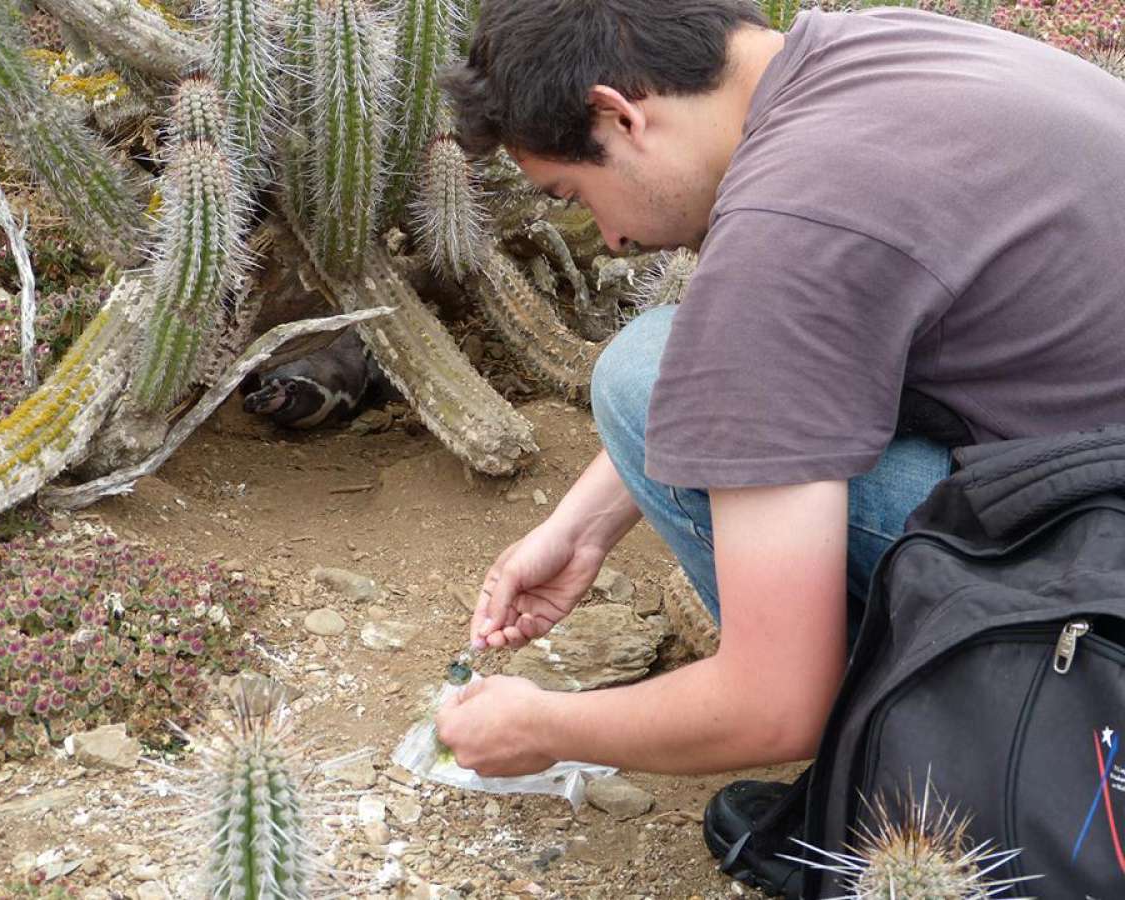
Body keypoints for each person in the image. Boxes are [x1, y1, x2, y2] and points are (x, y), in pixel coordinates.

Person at [433, 0, 1125, 805]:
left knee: (642, 371)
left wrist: (545, 726)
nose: (610, 237)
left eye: (573, 194)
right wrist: (580, 528)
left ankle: (905, 730)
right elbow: (784, 359)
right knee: (672, 369)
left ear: (618, 117)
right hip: (1087, 453)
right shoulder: (871, 43)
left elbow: (774, 708)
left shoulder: (787, 227)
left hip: (1100, 583)